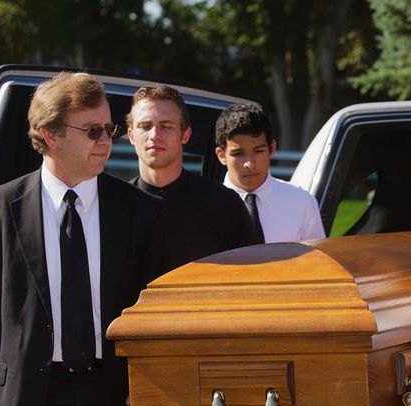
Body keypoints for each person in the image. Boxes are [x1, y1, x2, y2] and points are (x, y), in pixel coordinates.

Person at [0, 72, 167, 406]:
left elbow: (155, 310)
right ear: (49, 134)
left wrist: (151, 385)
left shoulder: (139, 210)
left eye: (109, 128)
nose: (105, 141)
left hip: (113, 404)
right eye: (92, 130)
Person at [127, 85, 254, 270]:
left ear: (185, 134)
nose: (154, 135)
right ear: (131, 135)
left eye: (166, 126)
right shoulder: (115, 208)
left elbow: (248, 276)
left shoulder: (224, 204)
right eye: (145, 126)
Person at [215, 103, 325, 243]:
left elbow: (318, 262)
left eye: (258, 151)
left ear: (272, 149)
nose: (249, 164)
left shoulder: (301, 203)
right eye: (238, 154)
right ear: (221, 155)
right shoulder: (206, 207)